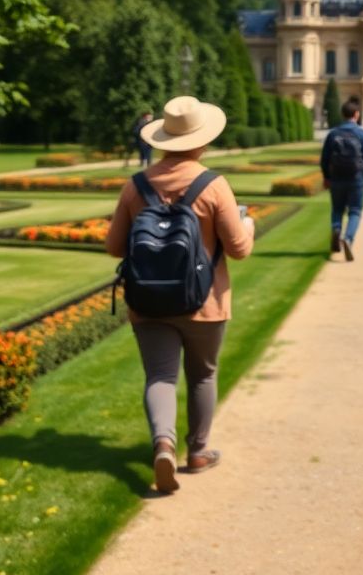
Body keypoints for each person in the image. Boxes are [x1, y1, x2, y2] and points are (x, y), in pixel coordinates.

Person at [106, 95, 255, 494]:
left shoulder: (137, 185)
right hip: (204, 301)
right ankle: (199, 451)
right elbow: (238, 248)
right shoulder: (213, 185)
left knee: (160, 375)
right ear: (201, 140)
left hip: (149, 300)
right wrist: (249, 224)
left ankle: (164, 444)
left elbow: (114, 245)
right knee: (202, 374)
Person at [320, 98, 363, 261]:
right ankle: (348, 238)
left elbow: (324, 159)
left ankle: (337, 229)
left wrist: (326, 177)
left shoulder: (333, 134)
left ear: (342, 114)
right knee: (355, 211)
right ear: (356, 115)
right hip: (356, 178)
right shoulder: (361, 133)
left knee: (337, 209)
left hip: (337, 178)